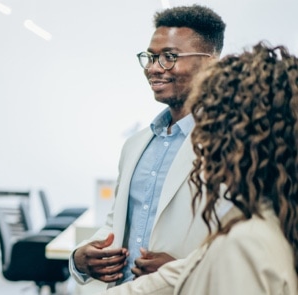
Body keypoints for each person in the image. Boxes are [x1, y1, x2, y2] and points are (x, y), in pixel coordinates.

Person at [98, 41, 298, 294]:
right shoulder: (268, 220)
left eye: (211, 121)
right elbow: (177, 274)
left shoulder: (245, 243)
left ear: (243, 138)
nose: (202, 135)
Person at [70, 4, 230, 288]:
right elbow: (116, 224)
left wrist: (183, 271)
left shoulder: (233, 145)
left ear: (211, 62)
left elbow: (241, 243)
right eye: (151, 57)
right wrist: (81, 258)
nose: (154, 69)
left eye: (170, 57)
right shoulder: (136, 145)